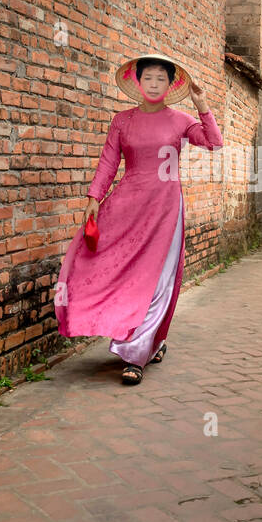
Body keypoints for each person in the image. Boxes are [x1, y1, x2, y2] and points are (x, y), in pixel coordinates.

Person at [54, 53, 223, 385]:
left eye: (162, 78)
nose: (155, 83)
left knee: (157, 280)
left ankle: (135, 353)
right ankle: (152, 340)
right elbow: (108, 162)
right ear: (138, 81)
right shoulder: (122, 121)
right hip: (127, 204)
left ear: (171, 84)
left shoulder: (181, 120)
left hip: (165, 208)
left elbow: (215, 143)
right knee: (120, 272)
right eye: (149, 78)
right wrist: (94, 198)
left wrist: (202, 105)